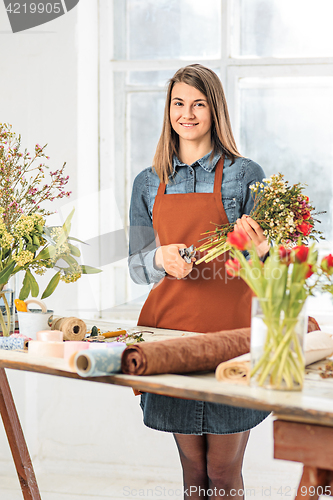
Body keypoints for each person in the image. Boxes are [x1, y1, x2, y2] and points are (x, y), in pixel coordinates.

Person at [128, 64, 270, 500]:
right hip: (171, 336)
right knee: (193, 472)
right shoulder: (148, 182)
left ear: (215, 110)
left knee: (224, 472)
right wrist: (160, 258)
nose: (186, 114)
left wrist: (260, 251)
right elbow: (136, 267)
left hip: (231, 339)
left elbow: (267, 271)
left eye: (198, 104)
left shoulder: (246, 175)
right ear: (168, 110)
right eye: (178, 104)